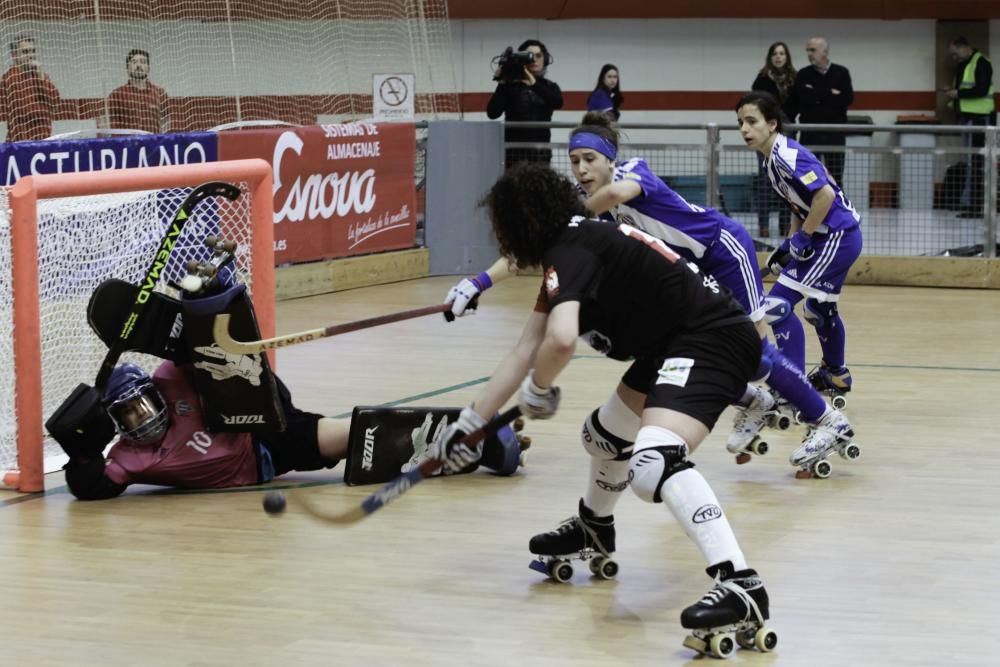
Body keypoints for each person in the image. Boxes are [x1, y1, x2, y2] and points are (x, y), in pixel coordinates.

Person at [430, 163, 777, 657]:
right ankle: (595, 527)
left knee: (653, 462)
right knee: (604, 436)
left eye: (502, 229)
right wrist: (470, 425)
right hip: (675, 343)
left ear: (522, 220)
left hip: (711, 339)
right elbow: (525, 347)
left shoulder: (570, 250)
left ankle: (742, 585)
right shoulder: (575, 246)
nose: (503, 243)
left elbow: (560, 340)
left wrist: (541, 389)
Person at [446, 111, 857, 475]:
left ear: (610, 158)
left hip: (721, 250)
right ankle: (754, 402)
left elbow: (612, 196)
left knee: (755, 348)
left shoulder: (631, 172)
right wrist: (478, 282)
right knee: (691, 351)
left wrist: (565, 215)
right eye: (574, 162)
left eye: (590, 159)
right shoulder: (580, 205)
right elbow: (529, 249)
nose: (582, 169)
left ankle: (825, 419)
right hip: (684, 275)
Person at [736, 90, 863, 469]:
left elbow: (823, 195)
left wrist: (805, 239)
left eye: (752, 121)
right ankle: (836, 374)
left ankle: (793, 387)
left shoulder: (787, 154)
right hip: (831, 235)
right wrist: (791, 243)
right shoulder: (771, 160)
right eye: (740, 122)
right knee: (819, 309)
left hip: (836, 236)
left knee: (775, 308)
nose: (744, 128)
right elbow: (802, 203)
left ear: (772, 124)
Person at [486, 39, 563, 167]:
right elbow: (492, 113)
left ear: (546, 60)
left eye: (538, 56)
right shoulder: (510, 86)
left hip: (541, 154)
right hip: (513, 155)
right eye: (529, 56)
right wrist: (502, 82)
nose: (534, 60)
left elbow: (557, 103)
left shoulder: (550, 86)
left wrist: (533, 83)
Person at [943, 36, 995, 219]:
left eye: (955, 54)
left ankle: (978, 206)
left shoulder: (981, 63)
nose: (955, 58)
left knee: (978, 163)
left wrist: (957, 93)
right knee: (970, 163)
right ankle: (970, 203)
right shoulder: (963, 65)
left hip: (980, 120)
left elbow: (981, 90)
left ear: (964, 47)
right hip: (967, 118)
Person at [792, 37, 853, 189]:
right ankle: (810, 211)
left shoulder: (841, 72)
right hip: (810, 133)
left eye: (813, 50)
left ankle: (837, 211)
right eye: (808, 50)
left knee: (835, 177)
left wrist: (816, 93)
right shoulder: (803, 74)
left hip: (835, 133)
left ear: (824, 52)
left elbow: (847, 99)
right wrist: (830, 93)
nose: (809, 54)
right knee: (808, 176)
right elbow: (803, 99)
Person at [751, 42, 796, 237]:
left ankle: (786, 225)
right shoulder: (762, 79)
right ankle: (764, 226)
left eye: (782, 53)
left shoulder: (794, 79)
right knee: (765, 180)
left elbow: (799, 103)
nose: (778, 57)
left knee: (786, 178)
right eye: (775, 54)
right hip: (765, 134)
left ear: (787, 57)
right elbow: (756, 104)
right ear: (770, 57)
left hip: (787, 132)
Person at [0, 35, 61, 142]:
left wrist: (41, 77)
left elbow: (56, 101)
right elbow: (26, 111)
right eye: (25, 52)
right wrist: (46, 109)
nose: (31, 55)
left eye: (33, 51)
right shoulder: (10, 78)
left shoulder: (39, 75)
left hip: (43, 139)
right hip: (20, 142)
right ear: (14, 55)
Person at [108, 48, 169, 134]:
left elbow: (166, 121)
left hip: (153, 145)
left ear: (148, 68)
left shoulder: (160, 93)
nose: (138, 65)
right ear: (127, 68)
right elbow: (113, 126)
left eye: (143, 62)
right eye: (134, 62)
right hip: (127, 146)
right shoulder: (117, 95)